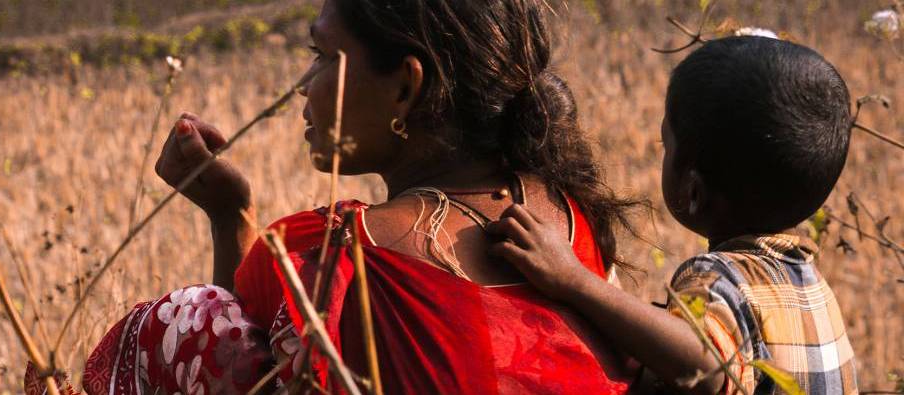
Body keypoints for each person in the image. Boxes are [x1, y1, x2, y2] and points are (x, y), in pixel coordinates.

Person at [31, 0, 649, 394]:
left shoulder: (337, 251)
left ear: (406, 89)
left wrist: (230, 215)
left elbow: (245, 348)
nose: (304, 86)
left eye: (323, 56)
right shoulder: (569, 215)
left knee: (189, 324)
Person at [487, 36, 858, 394]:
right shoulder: (813, 290)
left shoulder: (720, 278)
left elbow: (707, 364)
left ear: (694, 193)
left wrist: (575, 280)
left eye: (666, 144)